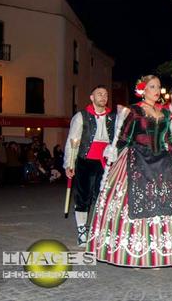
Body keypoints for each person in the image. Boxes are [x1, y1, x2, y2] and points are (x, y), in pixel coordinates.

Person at [87, 75, 172, 267]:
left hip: (163, 161)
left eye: (158, 87)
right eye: (152, 86)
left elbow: (168, 140)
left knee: (171, 201)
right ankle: (137, 252)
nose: (156, 90)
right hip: (138, 160)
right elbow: (125, 137)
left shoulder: (164, 113)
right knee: (136, 202)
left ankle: (163, 252)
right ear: (143, 89)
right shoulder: (134, 110)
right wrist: (113, 150)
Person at [64, 85, 117, 247]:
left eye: (106, 95)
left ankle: (99, 230)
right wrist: (69, 163)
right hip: (85, 161)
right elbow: (72, 141)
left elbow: (116, 140)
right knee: (83, 197)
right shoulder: (81, 116)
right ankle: (82, 231)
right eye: (99, 94)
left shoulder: (113, 117)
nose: (103, 97)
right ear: (92, 97)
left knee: (103, 197)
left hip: (106, 163)